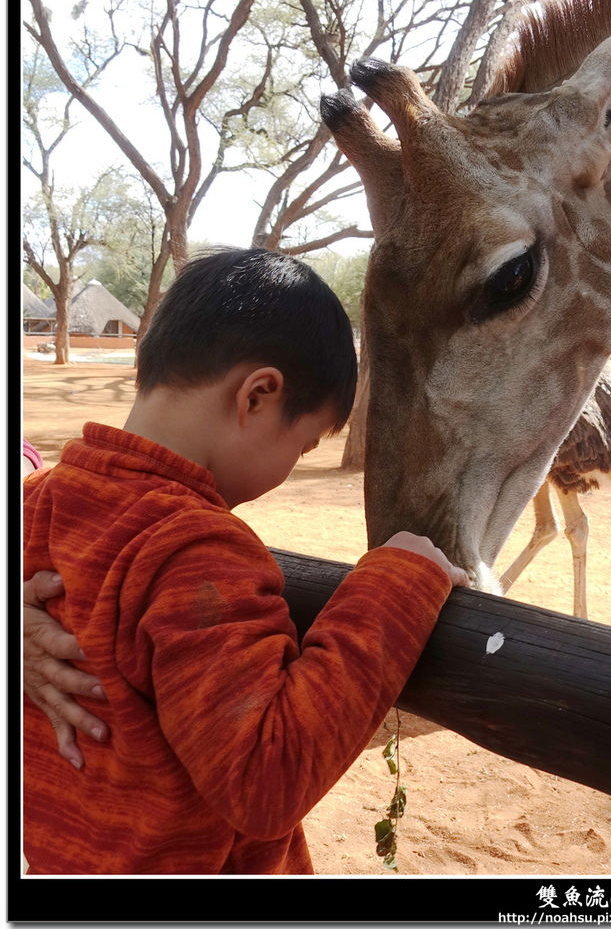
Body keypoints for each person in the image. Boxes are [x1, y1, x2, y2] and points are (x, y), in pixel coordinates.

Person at [23, 247, 467, 875]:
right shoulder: (196, 550)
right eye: (303, 442)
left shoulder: (34, 504)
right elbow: (266, 777)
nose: (292, 468)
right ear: (258, 396)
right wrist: (397, 583)